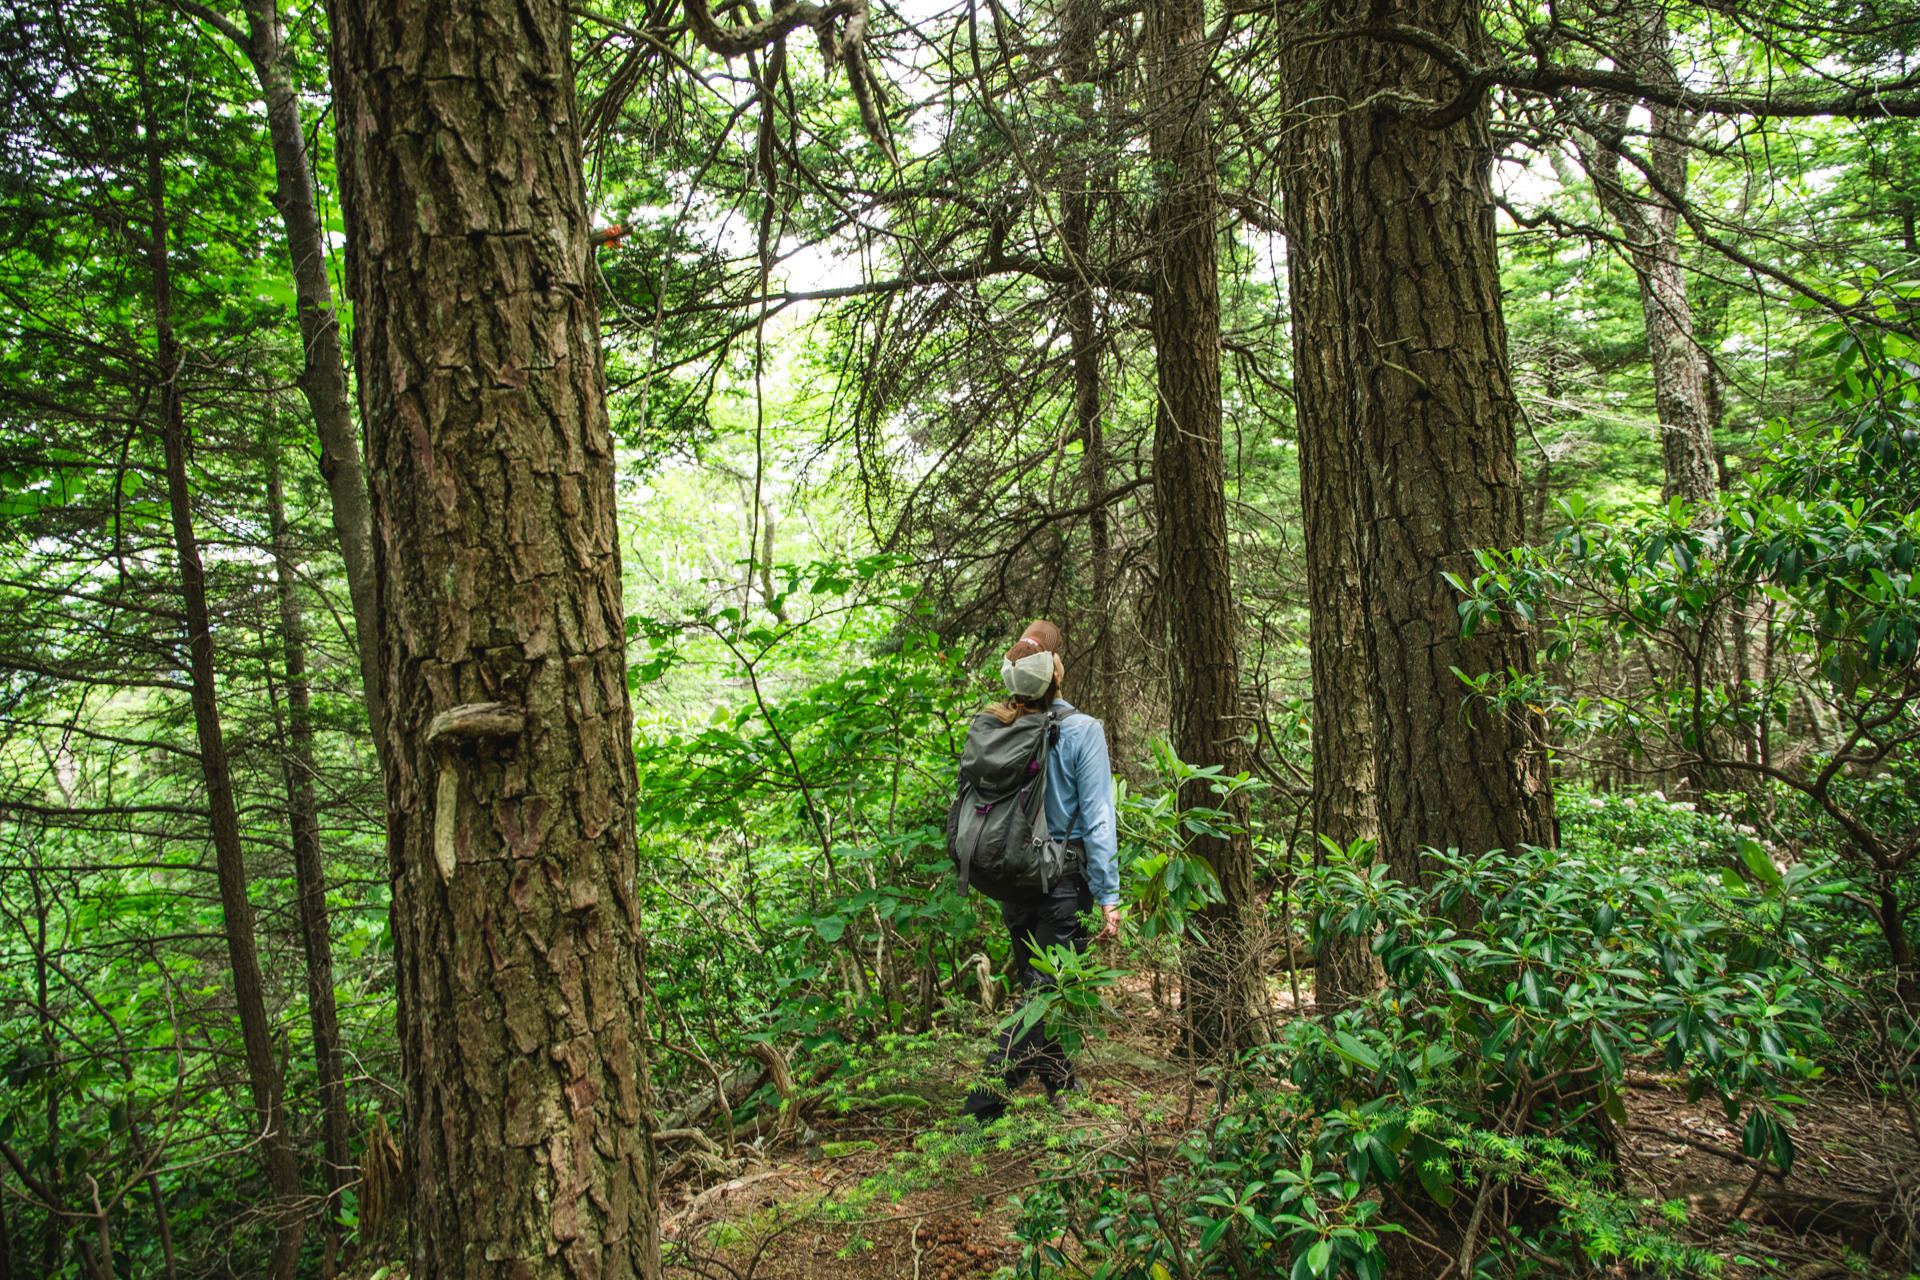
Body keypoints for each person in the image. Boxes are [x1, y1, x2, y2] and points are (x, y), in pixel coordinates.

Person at [963, 620, 1121, 1123]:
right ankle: (979, 1111)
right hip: (1061, 884)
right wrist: (1109, 894)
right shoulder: (1081, 731)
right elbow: (1097, 819)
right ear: (1056, 672)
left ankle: (1062, 1086)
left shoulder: (1000, 727)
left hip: (1014, 880)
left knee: (1039, 990)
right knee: (1043, 1002)